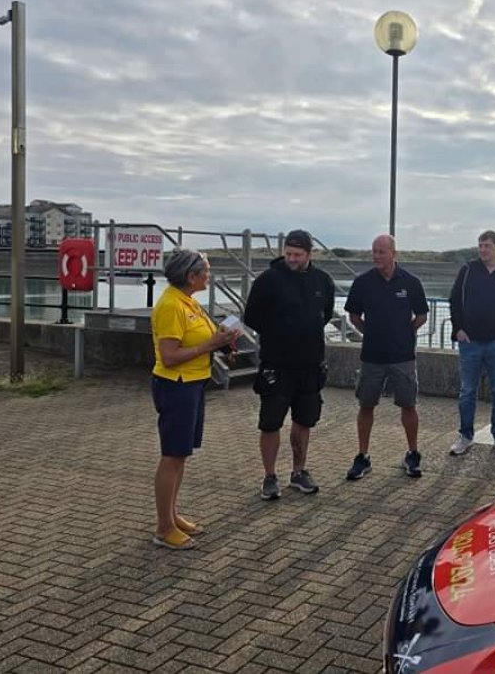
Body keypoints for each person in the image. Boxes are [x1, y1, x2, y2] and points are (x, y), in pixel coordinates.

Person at [150, 249, 240, 549]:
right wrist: (210, 344)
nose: (209, 276)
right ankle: (163, 527)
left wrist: (222, 343)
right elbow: (169, 355)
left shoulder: (189, 302)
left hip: (193, 383)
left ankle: (172, 515)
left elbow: (201, 340)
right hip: (176, 385)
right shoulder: (170, 306)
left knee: (181, 454)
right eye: (206, 271)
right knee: (172, 455)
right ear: (191, 276)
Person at [243, 229, 335, 501]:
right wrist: (280, 331)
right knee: (270, 423)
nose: (291, 259)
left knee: (304, 421)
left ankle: (299, 472)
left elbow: (325, 314)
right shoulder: (268, 280)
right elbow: (252, 316)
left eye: (297, 254)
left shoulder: (323, 281)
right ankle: (270, 477)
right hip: (276, 365)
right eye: (288, 253)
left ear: (309, 254)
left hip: (309, 365)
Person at [343, 234, 429, 480]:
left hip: (403, 356)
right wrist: (369, 333)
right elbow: (354, 316)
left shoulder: (411, 282)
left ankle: (412, 453)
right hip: (372, 356)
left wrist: (405, 332)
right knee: (366, 405)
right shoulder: (363, 283)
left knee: (408, 405)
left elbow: (421, 315)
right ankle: (362, 456)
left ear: (394, 253)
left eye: (382, 252)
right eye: (374, 252)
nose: (377, 256)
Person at [448, 230, 495, 458]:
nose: (482, 250)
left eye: (487, 246)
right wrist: (458, 329)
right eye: (480, 245)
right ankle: (465, 436)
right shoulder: (468, 270)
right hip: (470, 342)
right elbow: (454, 301)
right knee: (467, 392)